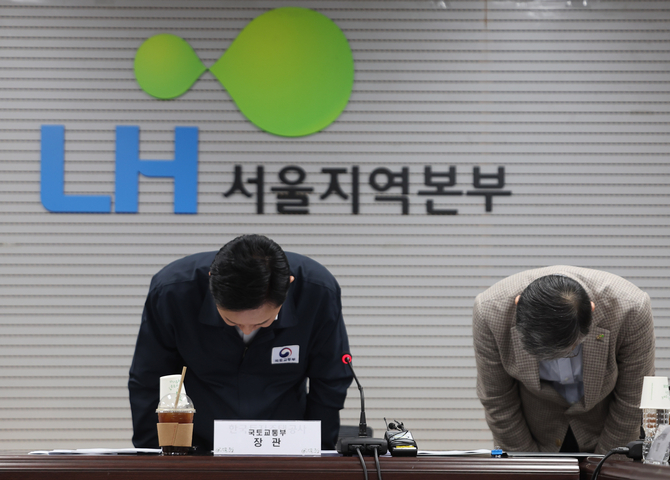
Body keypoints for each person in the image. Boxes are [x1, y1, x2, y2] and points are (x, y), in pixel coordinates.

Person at [128, 234, 353, 451]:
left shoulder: (317, 292)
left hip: (284, 441)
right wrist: (152, 457)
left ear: (287, 287)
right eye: (231, 321)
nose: (246, 329)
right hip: (196, 444)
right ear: (211, 283)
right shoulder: (172, 292)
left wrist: (318, 453)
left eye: (262, 322)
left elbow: (330, 380)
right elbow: (148, 379)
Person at [472, 265, 655, 454]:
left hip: (607, 433)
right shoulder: (489, 312)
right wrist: (524, 462)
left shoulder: (632, 309)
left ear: (591, 310)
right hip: (531, 435)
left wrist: (607, 461)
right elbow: (498, 399)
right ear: (518, 305)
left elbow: (632, 399)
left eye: (571, 351)